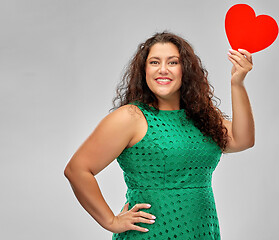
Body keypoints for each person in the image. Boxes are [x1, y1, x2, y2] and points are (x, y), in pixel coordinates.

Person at [64, 31, 254, 239]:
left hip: (202, 231)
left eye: (173, 63)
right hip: (153, 233)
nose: (163, 70)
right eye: (154, 62)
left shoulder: (202, 118)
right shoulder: (131, 117)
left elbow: (243, 139)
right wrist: (110, 221)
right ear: (144, 70)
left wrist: (237, 82)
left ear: (186, 70)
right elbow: (77, 170)